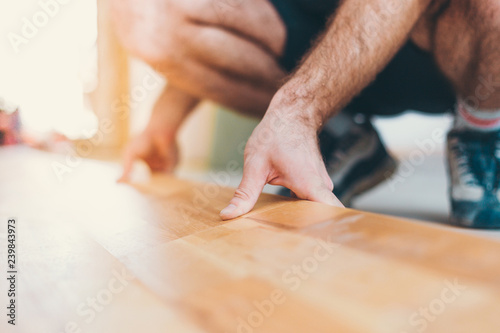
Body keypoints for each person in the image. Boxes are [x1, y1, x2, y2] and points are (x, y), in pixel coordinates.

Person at [113, 0, 500, 229]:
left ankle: (480, 128)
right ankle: (342, 135)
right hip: (322, 46)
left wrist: (297, 109)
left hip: (441, 45)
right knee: (145, 15)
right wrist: (163, 123)